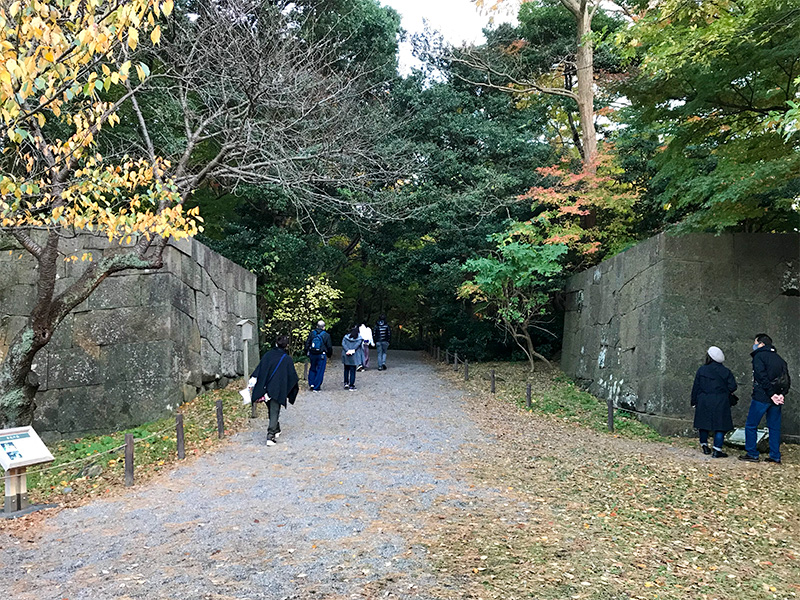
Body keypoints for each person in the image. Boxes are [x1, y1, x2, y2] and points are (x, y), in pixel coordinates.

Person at [739, 333, 791, 464]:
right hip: (777, 398)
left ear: (761, 344)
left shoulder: (759, 357)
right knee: (774, 427)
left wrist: (771, 394)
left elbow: (761, 377)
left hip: (762, 396)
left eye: (756, 342)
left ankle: (752, 453)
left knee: (751, 425)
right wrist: (781, 394)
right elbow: (786, 379)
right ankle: (775, 455)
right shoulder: (780, 359)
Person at [249, 335, 299, 446]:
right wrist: (291, 389)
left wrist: (253, 381)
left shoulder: (268, 355)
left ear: (276, 344)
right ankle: (270, 436)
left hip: (265, 387)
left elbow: (259, 369)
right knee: (274, 410)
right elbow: (293, 376)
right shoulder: (287, 359)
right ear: (286, 346)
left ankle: (276, 429)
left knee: (271, 410)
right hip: (277, 389)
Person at [691, 346, 737, 458]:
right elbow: (733, 386)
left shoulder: (702, 370)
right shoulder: (726, 371)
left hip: (704, 399)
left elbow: (696, 387)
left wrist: (693, 401)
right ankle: (717, 449)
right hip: (721, 400)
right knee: (720, 425)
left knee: (703, 424)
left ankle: (704, 446)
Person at [304, 320, 333, 392]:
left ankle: (311, 383)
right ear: (324, 327)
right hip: (321, 355)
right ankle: (316, 387)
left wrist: (306, 352)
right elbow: (329, 347)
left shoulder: (312, 333)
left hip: (312, 354)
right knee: (320, 370)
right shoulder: (326, 335)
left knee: (312, 368)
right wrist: (329, 355)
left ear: (317, 326)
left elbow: (307, 343)